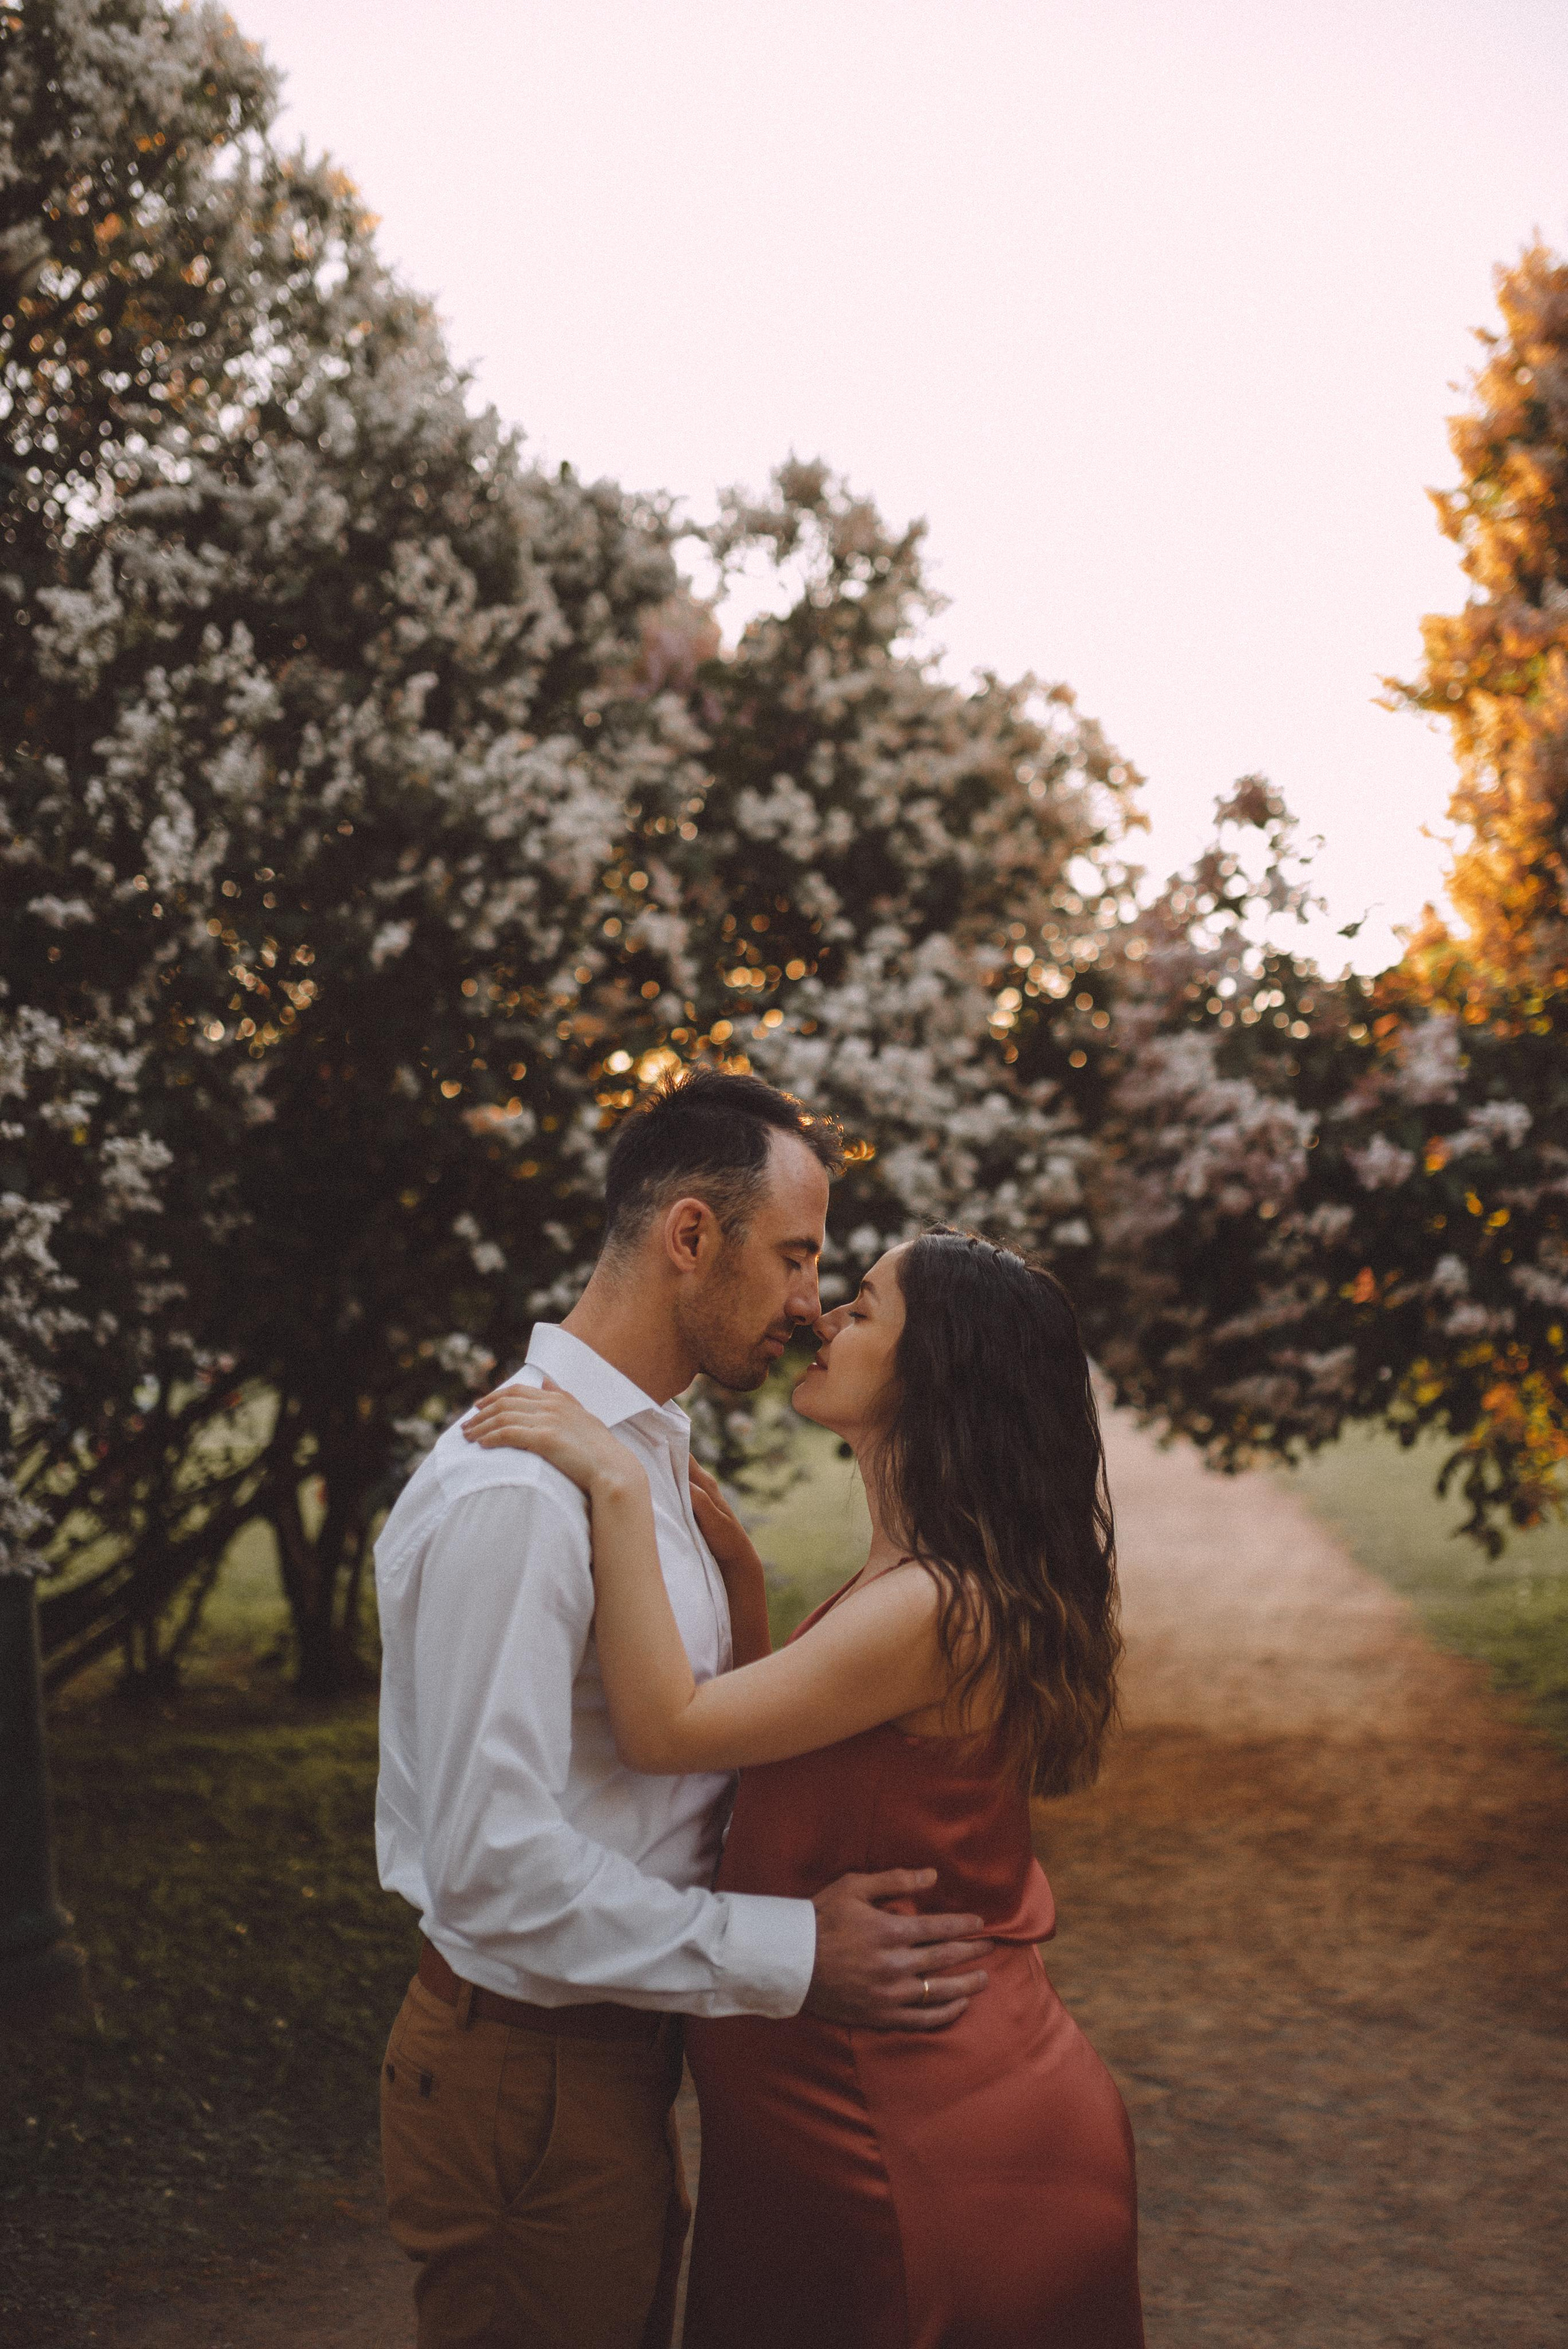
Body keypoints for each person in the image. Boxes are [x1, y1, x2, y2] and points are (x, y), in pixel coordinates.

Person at [374, 1072, 994, 2349]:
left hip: (607, 2055)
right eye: (795, 1257)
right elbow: (489, 1867)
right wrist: (789, 1954)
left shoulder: (637, 1465)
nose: (811, 1302)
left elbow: (688, 1748)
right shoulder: (524, 1496)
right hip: (531, 2065)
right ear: (692, 1237)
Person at [463, 1222, 1146, 2349]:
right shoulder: (921, 1578)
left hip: (916, 2139)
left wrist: (617, 1483)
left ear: (935, 1373)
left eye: (863, 1307)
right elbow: (779, 1748)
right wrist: (739, 1574)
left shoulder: (932, 1607)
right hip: (849, 2116)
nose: (821, 1317)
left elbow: (669, 1731)